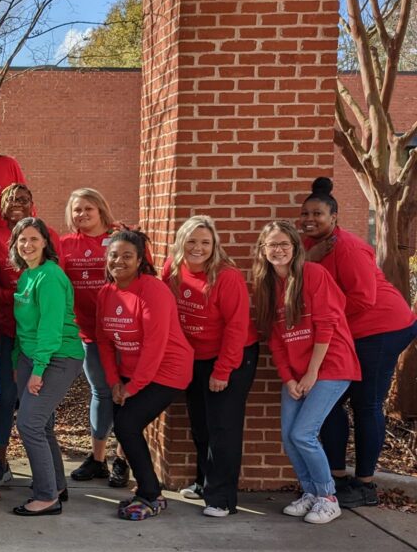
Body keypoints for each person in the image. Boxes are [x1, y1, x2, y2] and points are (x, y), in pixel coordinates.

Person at [300, 178, 417, 508]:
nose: (310, 219)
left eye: (318, 213)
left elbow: (364, 299)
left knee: (366, 404)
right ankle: (337, 476)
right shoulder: (310, 245)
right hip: (349, 332)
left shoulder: (348, 248)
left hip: (381, 328)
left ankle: (365, 485)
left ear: (334, 217)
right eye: (305, 213)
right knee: (332, 404)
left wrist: (325, 321)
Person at [253, 221, 361, 525]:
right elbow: (275, 339)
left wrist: (312, 373)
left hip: (331, 365)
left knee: (304, 434)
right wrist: (288, 378)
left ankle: (328, 498)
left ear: (295, 248)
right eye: (272, 244)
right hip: (298, 373)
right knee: (290, 438)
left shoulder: (313, 275)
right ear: (262, 250)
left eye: (284, 244)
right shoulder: (267, 286)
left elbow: (326, 325)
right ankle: (312, 493)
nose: (278, 250)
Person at [162, 216, 259, 517]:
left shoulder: (226, 276)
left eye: (205, 242)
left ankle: (222, 499)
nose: (198, 248)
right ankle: (205, 482)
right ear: (181, 242)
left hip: (232, 357)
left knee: (223, 427)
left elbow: (236, 327)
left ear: (214, 244)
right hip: (195, 358)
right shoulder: (172, 269)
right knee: (201, 424)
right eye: (191, 241)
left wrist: (223, 370)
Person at [96, 230, 193, 521]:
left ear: (140, 260)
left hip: (168, 371)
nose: (119, 261)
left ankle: (150, 494)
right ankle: (149, 490)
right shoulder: (106, 293)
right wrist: (114, 381)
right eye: (114, 255)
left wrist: (133, 386)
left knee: (127, 423)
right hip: (129, 373)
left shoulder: (153, 290)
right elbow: (103, 341)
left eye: (127, 256)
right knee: (125, 425)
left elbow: (155, 344)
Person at [0, 183, 61, 483]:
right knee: (5, 396)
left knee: (41, 398)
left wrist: (23, 293)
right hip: (8, 330)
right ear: (1, 206)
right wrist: (18, 295)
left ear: (33, 204)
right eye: (11, 200)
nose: (17, 203)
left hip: (42, 333)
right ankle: (0, 462)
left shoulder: (48, 234)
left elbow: (55, 279)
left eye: (23, 199)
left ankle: (48, 467)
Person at [9, 218, 84, 517]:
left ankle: (46, 497)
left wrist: (39, 369)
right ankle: (56, 485)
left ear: (45, 243)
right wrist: (19, 361)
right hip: (30, 357)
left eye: (33, 239)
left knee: (28, 423)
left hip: (57, 357)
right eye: (21, 240)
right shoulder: (27, 275)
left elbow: (50, 329)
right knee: (43, 425)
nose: (27, 245)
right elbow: (23, 327)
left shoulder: (49, 276)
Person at [60, 188, 129, 487]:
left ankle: (122, 460)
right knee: (100, 393)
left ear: (101, 209)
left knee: (126, 394)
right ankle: (98, 459)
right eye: (77, 209)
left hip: (123, 332)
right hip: (88, 332)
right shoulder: (64, 245)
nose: (82, 214)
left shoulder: (120, 238)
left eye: (88, 208)